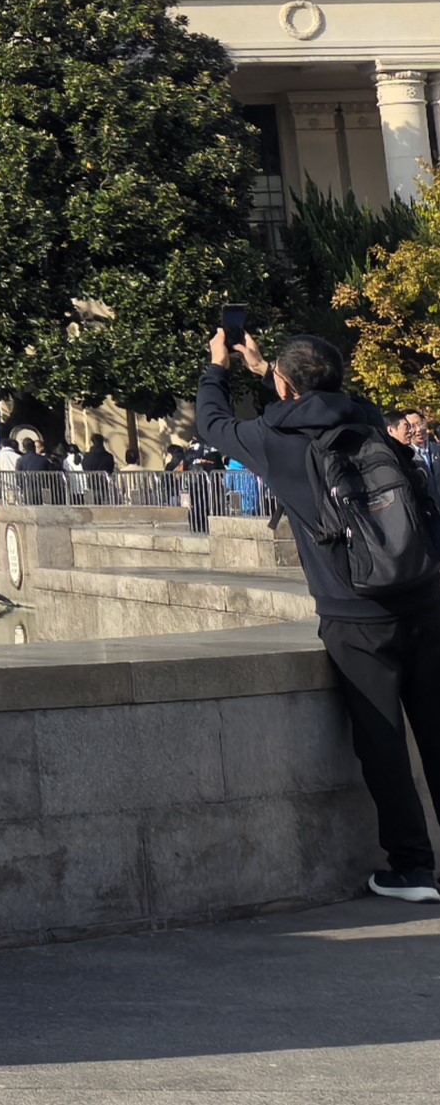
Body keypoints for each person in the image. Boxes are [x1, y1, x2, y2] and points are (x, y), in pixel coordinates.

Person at [200, 329, 440, 904]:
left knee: (382, 740)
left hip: (353, 613)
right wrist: (273, 371)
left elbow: (211, 423)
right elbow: (330, 400)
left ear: (284, 387)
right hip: (424, 597)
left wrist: (219, 366)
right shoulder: (370, 420)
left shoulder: (273, 440)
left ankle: (413, 868)